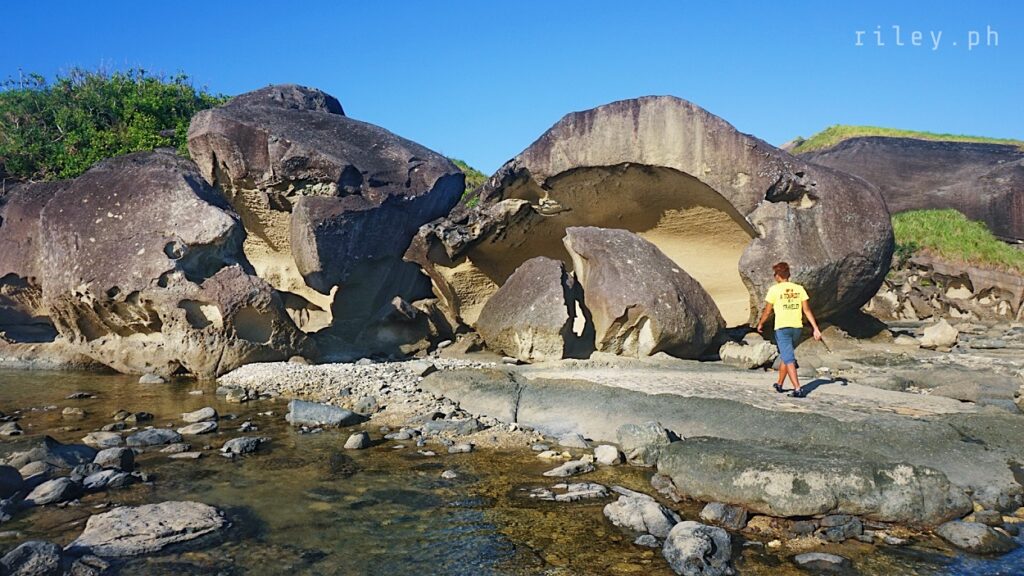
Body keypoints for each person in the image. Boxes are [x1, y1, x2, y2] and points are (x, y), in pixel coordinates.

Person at [756, 262, 821, 398]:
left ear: (778, 276)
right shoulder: (799, 289)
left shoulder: (774, 290)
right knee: (787, 355)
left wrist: (760, 323)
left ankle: (797, 388)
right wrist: (815, 328)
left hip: (782, 327)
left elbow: (768, 311)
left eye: (775, 274)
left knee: (789, 357)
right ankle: (779, 384)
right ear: (789, 275)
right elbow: (807, 310)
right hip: (797, 327)